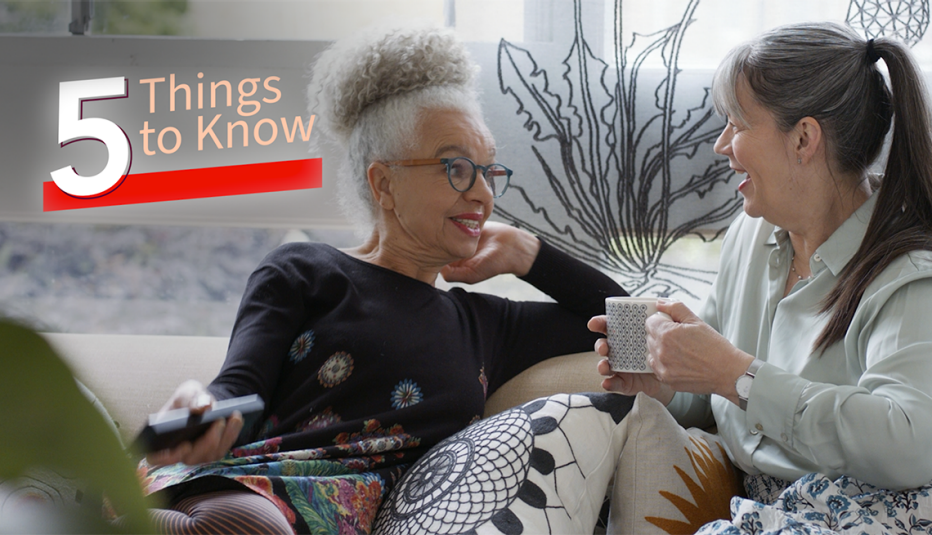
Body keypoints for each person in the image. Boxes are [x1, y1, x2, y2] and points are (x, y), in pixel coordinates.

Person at [137, 25, 626, 535]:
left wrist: (529, 254)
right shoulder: (303, 269)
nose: (482, 193)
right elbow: (238, 384)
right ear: (384, 183)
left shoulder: (484, 326)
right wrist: (201, 404)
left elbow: (632, 329)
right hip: (243, 491)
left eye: (489, 171)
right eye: (457, 168)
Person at [591, 21, 932, 533]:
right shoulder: (751, 236)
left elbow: (908, 442)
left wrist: (738, 375)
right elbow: (720, 388)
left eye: (737, 124)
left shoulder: (908, 274)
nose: (721, 144)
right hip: (765, 511)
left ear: (803, 138)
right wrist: (666, 384)